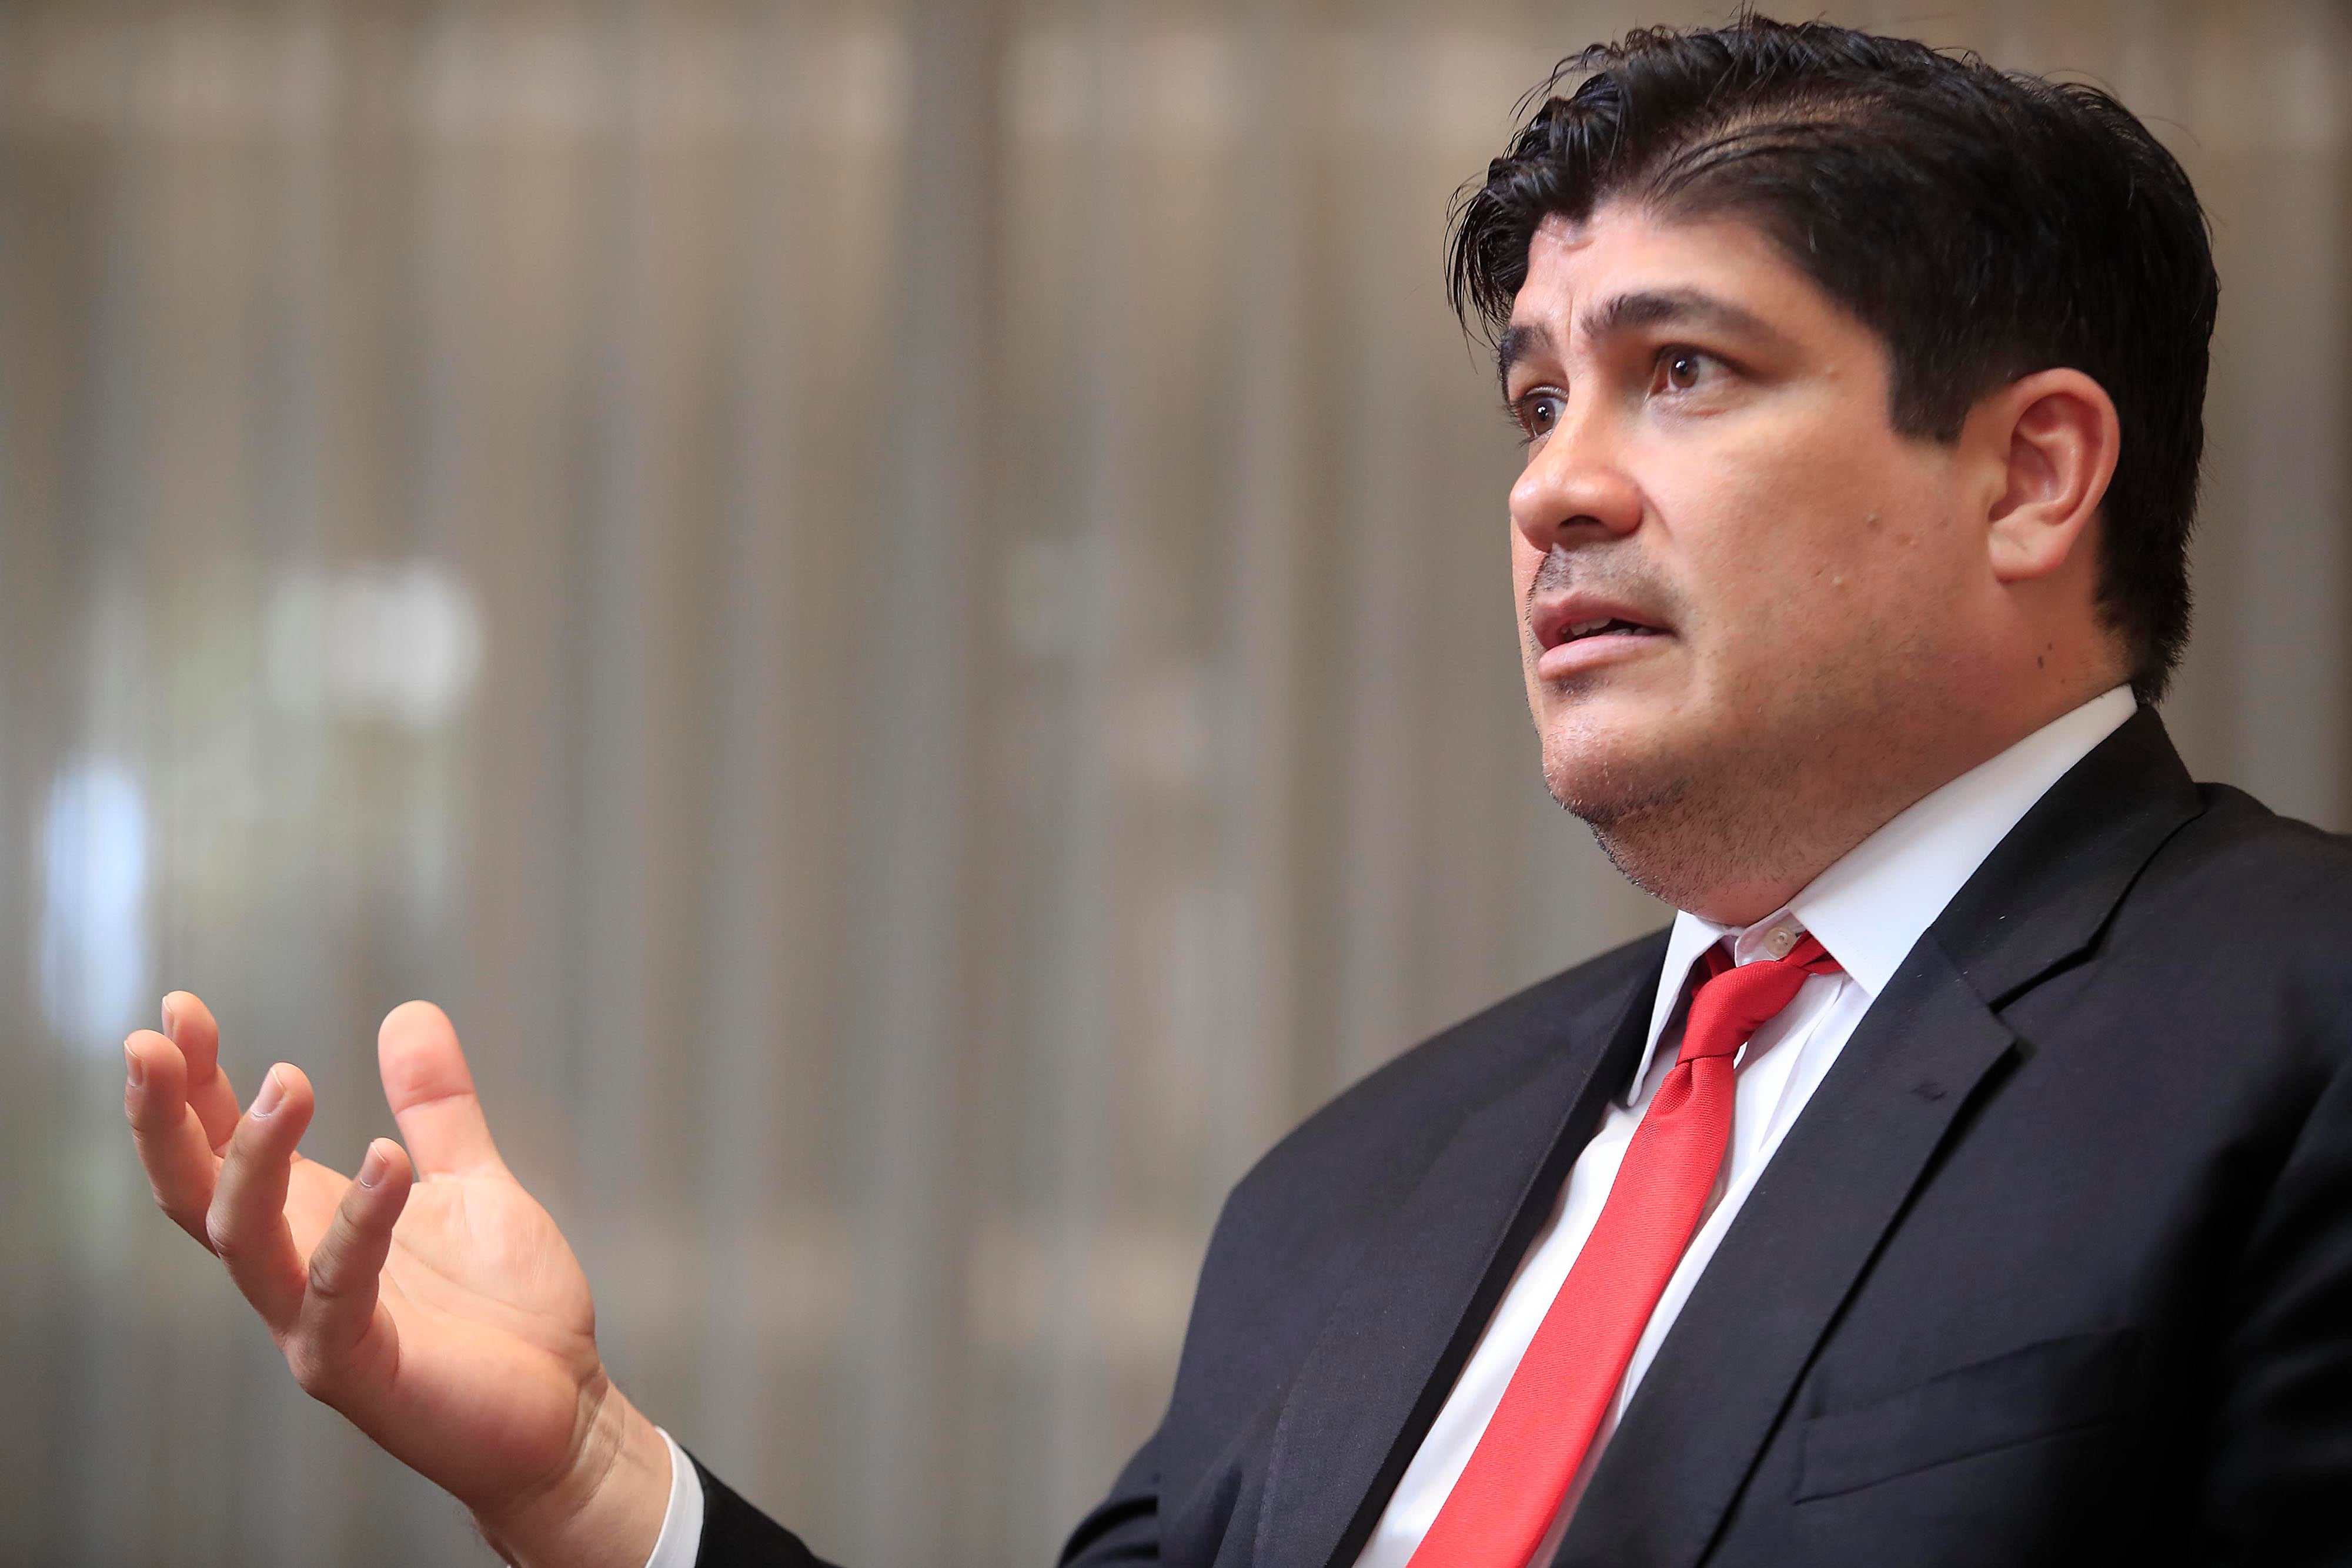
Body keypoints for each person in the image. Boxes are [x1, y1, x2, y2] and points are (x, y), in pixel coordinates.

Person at [121, 15, 2352, 1568]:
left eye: (1684, 370)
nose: (1556, 488)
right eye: (1537, 401)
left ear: (2033, 473)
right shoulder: (1362, 1182)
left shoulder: (2298, 1028)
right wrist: (594, 1482)